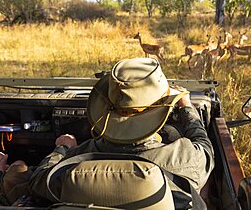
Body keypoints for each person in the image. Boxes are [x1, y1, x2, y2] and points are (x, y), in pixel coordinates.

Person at [29, 57, 215, 209]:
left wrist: (62, 148)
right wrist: (186, 108)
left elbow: (37, 182)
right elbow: (205, 149)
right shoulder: (183, 158)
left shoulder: (76, 160)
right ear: (162, 110)